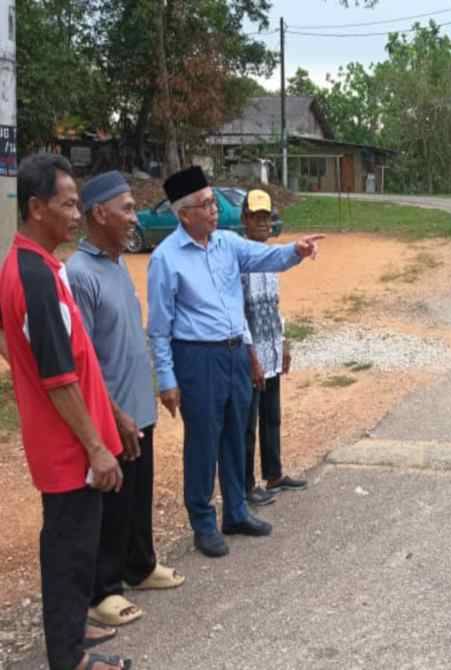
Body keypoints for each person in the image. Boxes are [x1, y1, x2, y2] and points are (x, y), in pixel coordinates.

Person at [146, 166, 323, 558]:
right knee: (203, 442)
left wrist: (297, 250)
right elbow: (159, 328)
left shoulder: (227, 244)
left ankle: (237, 511)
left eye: (213, 202)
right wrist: (167, 379)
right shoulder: (165, 259)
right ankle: (203, 522)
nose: (214, 210)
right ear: (184, 213)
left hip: (235, 353)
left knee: (235, 434)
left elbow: (268, 257)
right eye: (206, 204)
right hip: (197, 358)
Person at [0, 153, 132, 670]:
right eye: (69, 204)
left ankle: (72, 628)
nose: (78, 214)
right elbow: (57, 376)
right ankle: (69, 658)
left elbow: (28, 349)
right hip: (68, 449)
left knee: (74, 544)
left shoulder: (33, 265)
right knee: (69, 550)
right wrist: (96, 448)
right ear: (37, 208)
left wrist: (112, 414)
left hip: (69, 438)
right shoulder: (32, 275)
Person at [67, 171, 186, 630]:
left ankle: (140, 564)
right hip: (108, 412)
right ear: (100, 213)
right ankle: (103, 589)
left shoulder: (117, 263)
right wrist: (111, 414)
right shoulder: (80, 274)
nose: (135, 218)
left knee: (138, 492)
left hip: (137, 406)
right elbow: (82, 358)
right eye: (128, 208)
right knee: (111, 503)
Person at [241, 190, 307, 508]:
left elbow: (275, 306)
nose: (263, 223)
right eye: (257, 217)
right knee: (247, 423)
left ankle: (274, 473)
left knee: (272, 416)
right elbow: (237, 314)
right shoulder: (240, 261)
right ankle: (246, 484)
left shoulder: (270, 260)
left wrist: (284, 343)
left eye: (267, 216)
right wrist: (250, 355)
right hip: (250, 356)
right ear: (245, 220)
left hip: (270, 350)